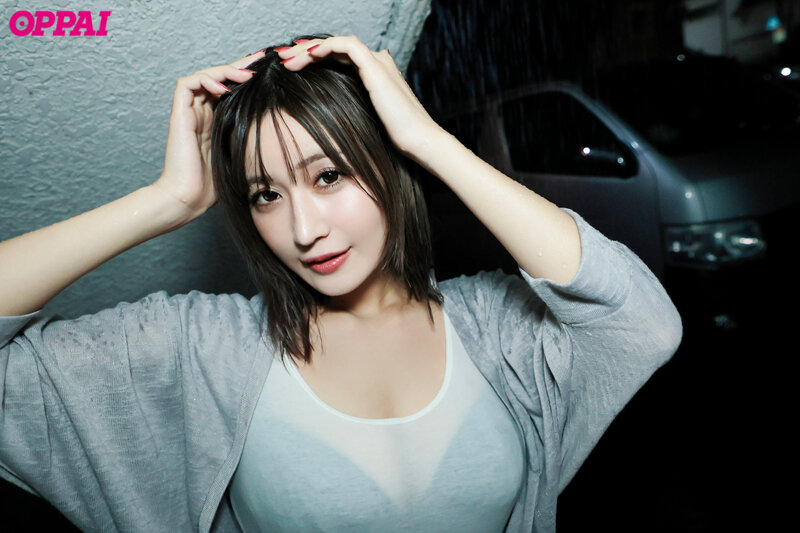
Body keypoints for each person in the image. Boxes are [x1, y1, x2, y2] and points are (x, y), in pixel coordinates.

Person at [0, 34, 682, 532]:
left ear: (389, 162)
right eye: (266, 195)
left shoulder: (500, 329)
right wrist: (165, 201)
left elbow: (642, 323)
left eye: (329, 176)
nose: (304, 229)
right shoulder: (206, 349)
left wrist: (428, 140)